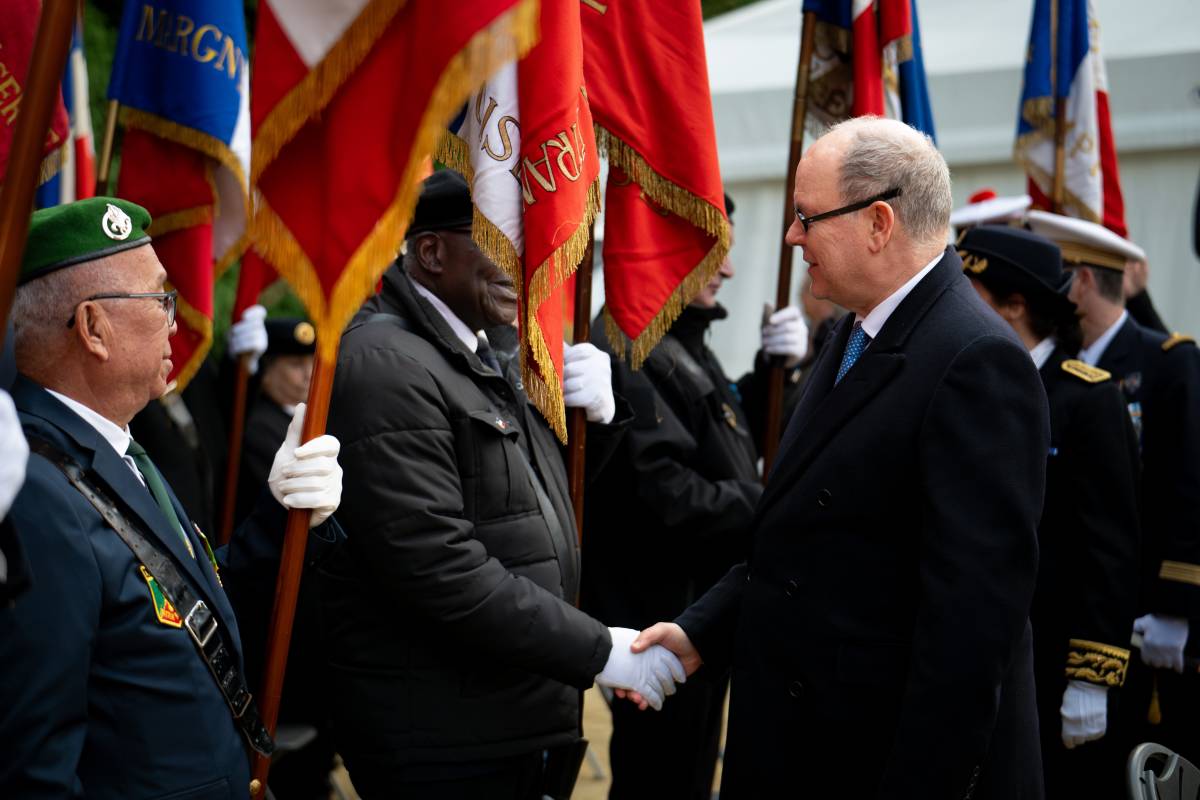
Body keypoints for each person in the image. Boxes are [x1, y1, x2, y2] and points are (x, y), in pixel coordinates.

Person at [630, 117, 1051, 798]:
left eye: (806, 217)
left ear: (878, 223)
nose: (792, 237)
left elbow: (969, 634)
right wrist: (700, 630)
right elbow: (799, 540)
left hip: (872, 762)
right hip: (801, 742)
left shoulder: (975, 361)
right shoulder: (855, 332)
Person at [319, 170, 684, 800]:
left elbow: (524, 509)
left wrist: (597, 423)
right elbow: (439, 568)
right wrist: (599, 650)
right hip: (445, 733)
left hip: (502, 712)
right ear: (431, 253)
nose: (528, 260)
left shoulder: (479, 348)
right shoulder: (387, 363)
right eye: (501, 240)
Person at [0, 197, 344, 800]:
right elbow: (34, 763)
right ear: (92, 329)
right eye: (160, 300)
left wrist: (285, 513)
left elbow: (193, 607)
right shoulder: (34, 484)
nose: (175, 321)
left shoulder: (111, 446)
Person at [582, 193, 807, 799]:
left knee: (687, 773)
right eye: (715, 252)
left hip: (698, 605)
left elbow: (718, 438)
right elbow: (667, 492)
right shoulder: (628, 342)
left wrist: (772, 374)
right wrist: (769, 505)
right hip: (663, 610)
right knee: (661, 778)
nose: (728, 270)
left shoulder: (677, 336)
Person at [960, 224, 1141, 798]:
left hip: (1048, 653)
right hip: (968, 648)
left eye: (975, 295)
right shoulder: (963, 379)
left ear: (1015, 305)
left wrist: (1090, 675)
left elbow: (1110, 545)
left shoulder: (1086, 398)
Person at [1027, 209, 1200, 764]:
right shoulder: (1062, 366)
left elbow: (1188, 485)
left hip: (1153, 611)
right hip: (1080, 608)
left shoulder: (1168, 362)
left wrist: (1178, 605)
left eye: (1057, 275)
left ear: (1080, 281)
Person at [236, 317, 316, 525]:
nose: (309, 374)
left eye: (312, 362)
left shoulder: (313, 416)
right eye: (296, 365)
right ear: (267, 372)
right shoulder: (259, 427)